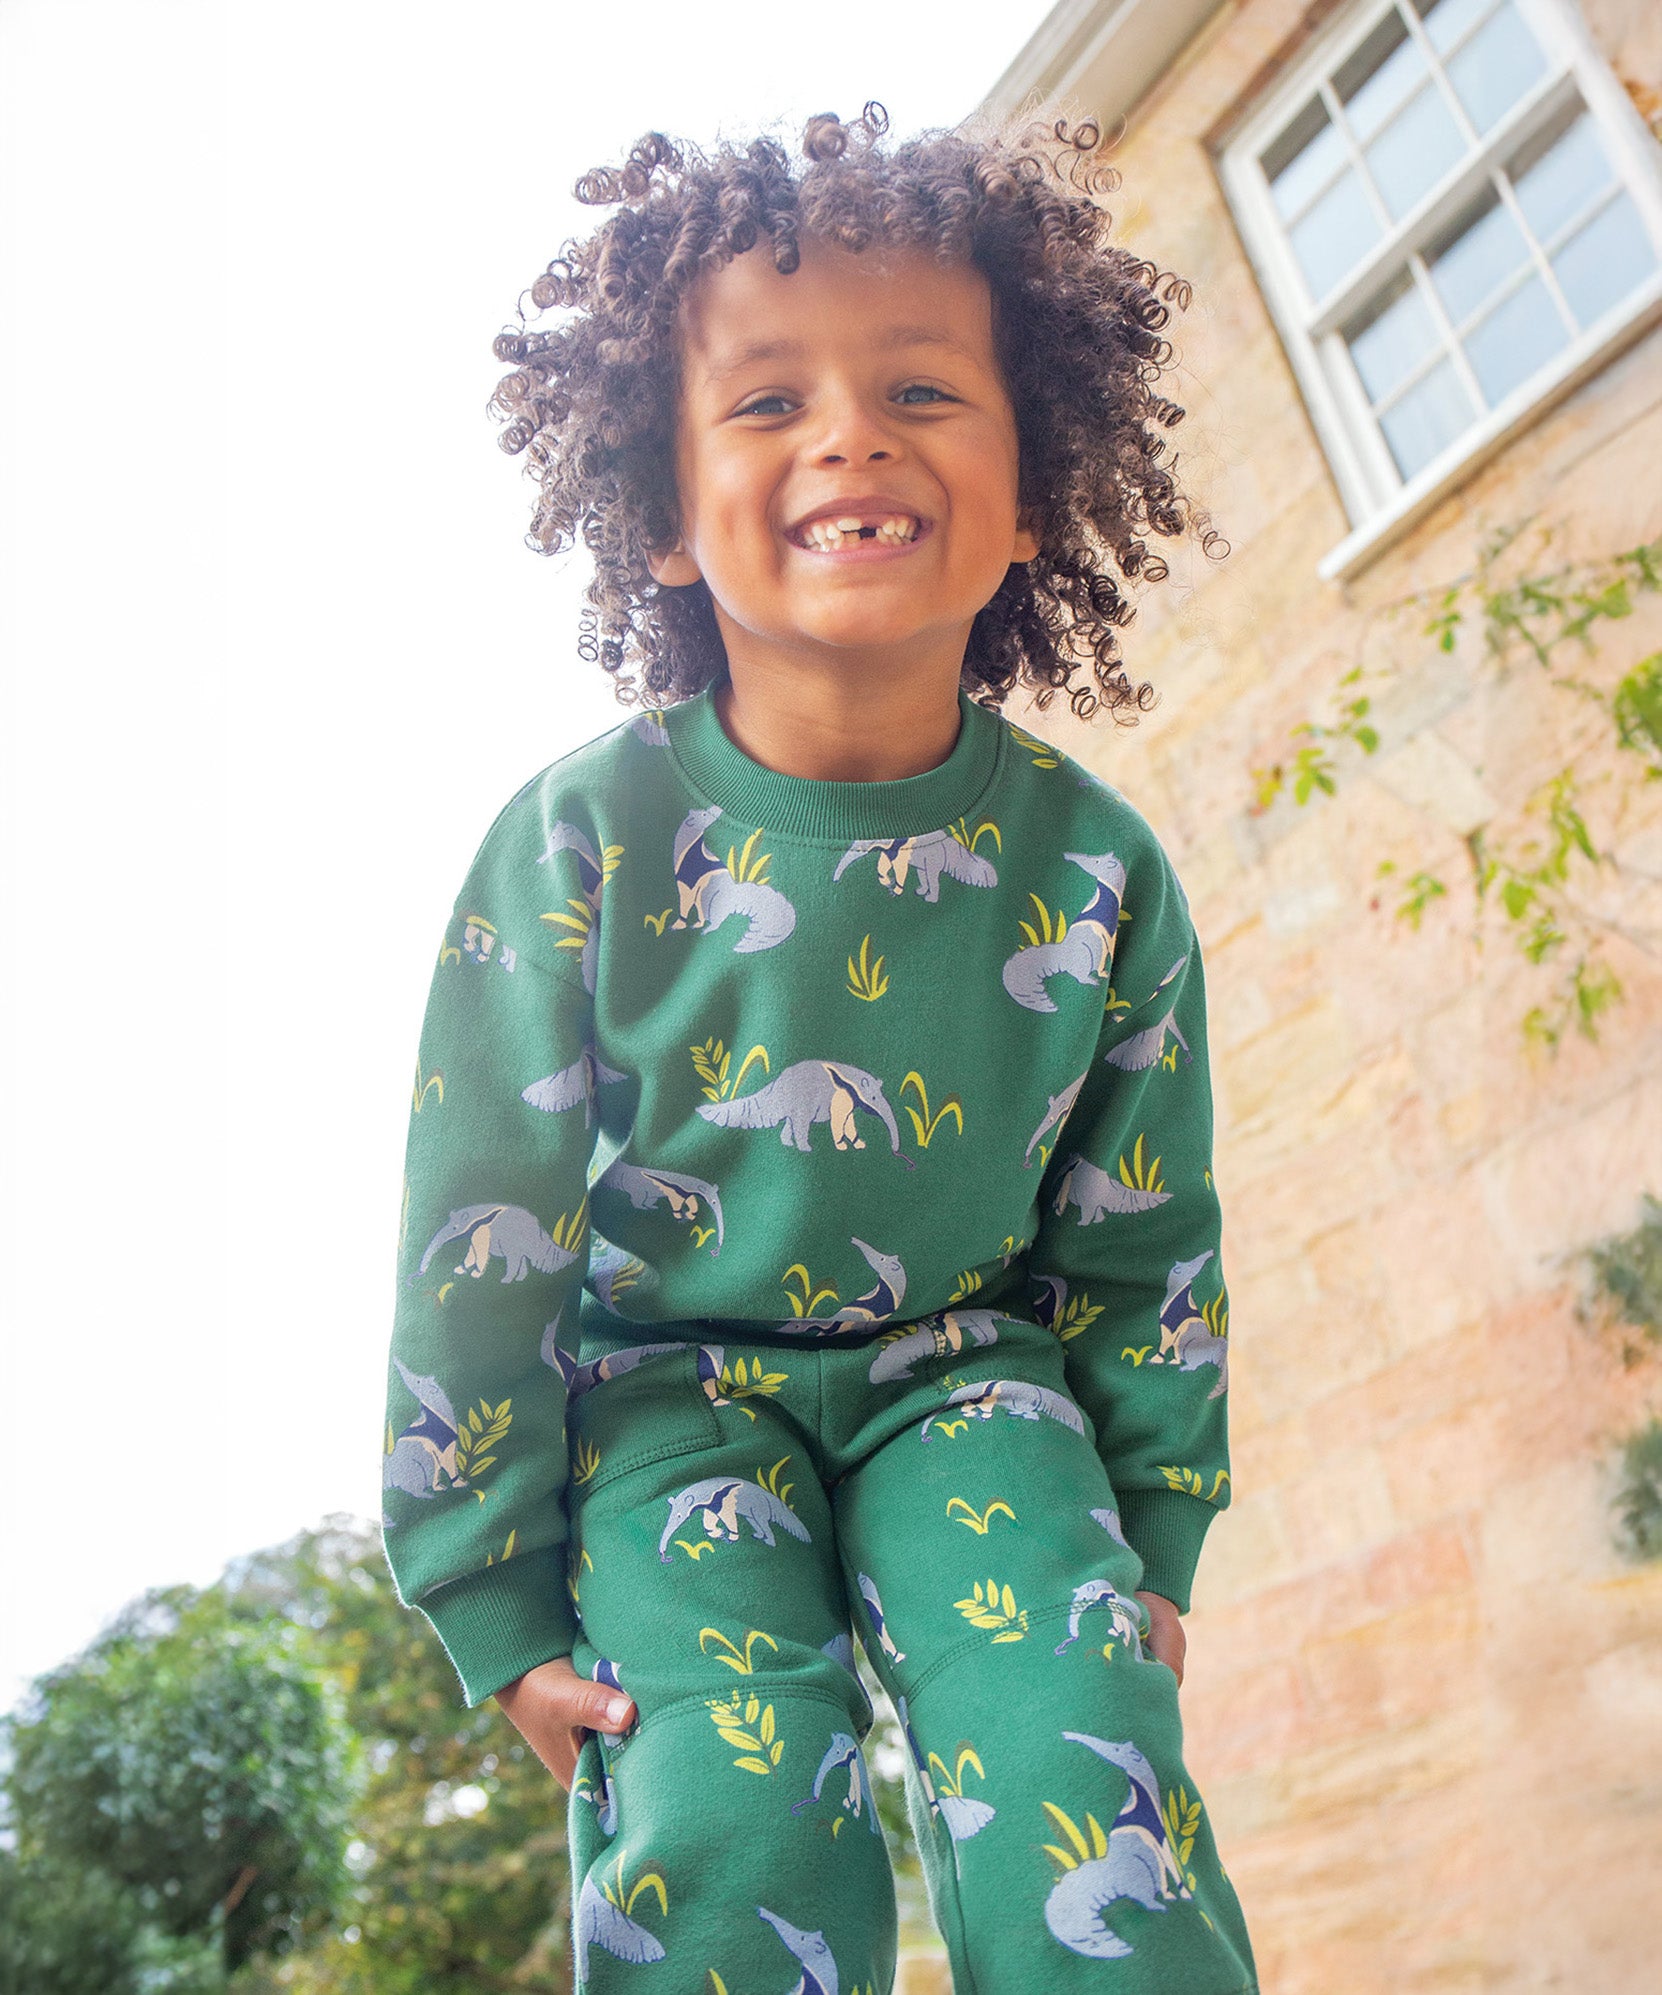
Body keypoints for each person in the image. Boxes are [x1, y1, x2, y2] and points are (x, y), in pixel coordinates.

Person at [380, 101, 1258, 1994]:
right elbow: (483, 1228)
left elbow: (1139, 1236)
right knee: (727, 1816)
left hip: (969, 1380)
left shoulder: (1097, 872)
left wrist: (1154, 1548)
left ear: (1032, 496)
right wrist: (486, 1588)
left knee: (1071, 1765)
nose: (849, 430)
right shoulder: (576, 848)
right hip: (665, 1401)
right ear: (668, 514)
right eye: (765, 402)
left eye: (922, 389)